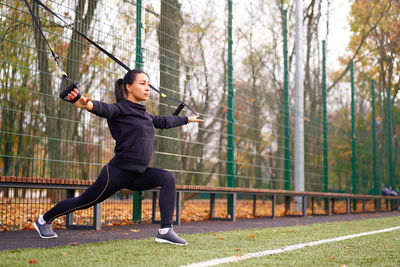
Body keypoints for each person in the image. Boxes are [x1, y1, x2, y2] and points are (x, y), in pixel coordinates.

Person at [34, 69, 203, 245]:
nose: (147, 88)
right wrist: (85, 104)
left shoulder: (146, 115)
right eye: (142, 83)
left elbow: (165, 121)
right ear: (129, 87)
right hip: (116, 174)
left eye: (148, 84)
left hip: (138, 174)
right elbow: (103, 108)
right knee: (83, 202)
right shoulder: (120, 109)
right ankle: (43, 220)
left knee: (167, 177)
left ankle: (166, 230)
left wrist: (187, 120)